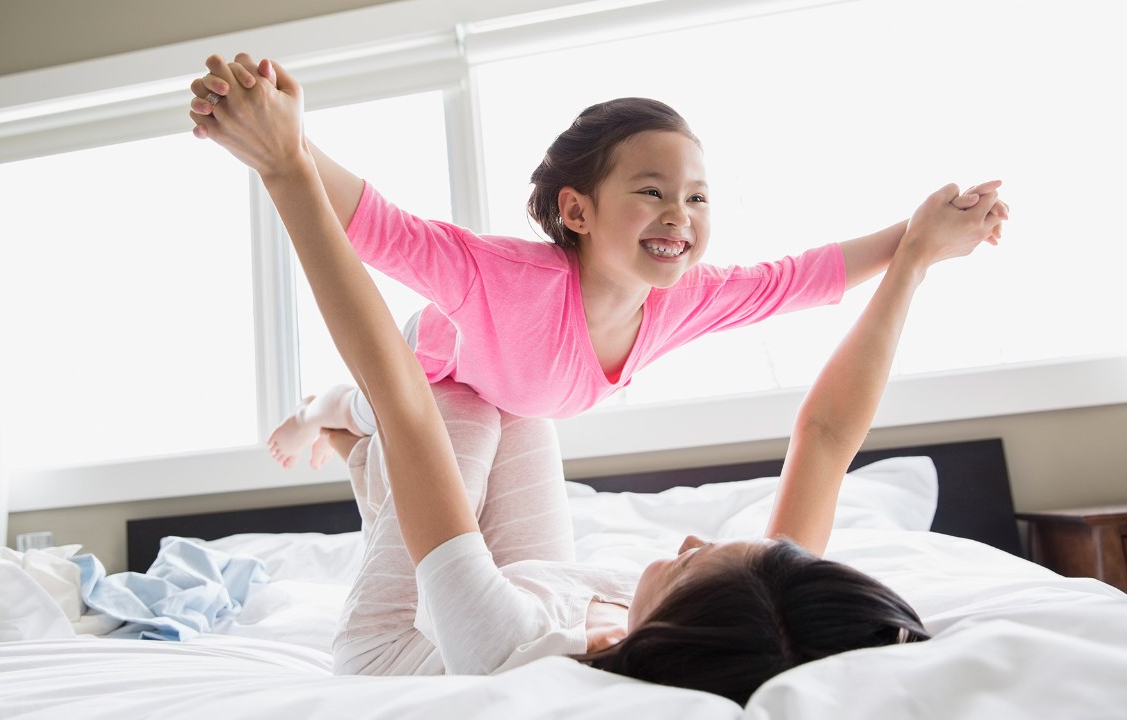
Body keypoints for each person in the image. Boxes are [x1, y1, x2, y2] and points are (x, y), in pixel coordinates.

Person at [190, 56, 1007, 705]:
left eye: (691, 565)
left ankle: (332, 417)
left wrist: (285, 165)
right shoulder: (746, 618)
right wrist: (914, 256)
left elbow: (402, 400)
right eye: (653, 191)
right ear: (578, 211)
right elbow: (826, 438)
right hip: (475, 372)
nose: (690, 542)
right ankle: (345, 428)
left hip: (393, 634)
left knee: (456, 422)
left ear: (673, 626)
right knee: (508, 411)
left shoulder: (500, 640)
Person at [188, 54, 1001, 470]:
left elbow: (801, 280)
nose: (679, 214)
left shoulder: (682, 299)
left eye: (697, 197)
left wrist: (921, 234)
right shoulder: (506, 275)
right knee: (382, 409)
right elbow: (382, 228)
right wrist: (287, 143)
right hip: (439, 362)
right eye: (651, 192)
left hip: (522, 394)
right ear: (577, 211)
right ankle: (316, 408)